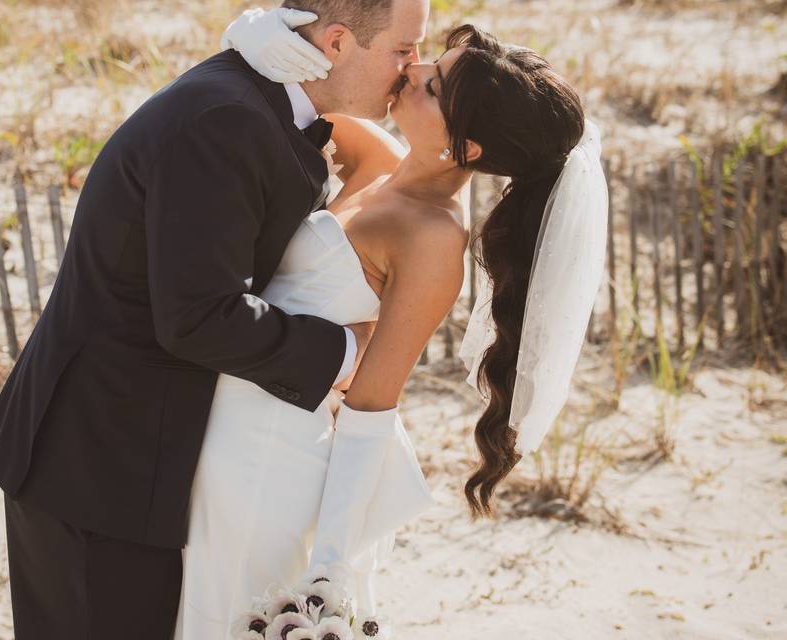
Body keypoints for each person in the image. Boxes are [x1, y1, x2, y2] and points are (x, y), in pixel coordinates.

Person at [0, 1, 429, 638]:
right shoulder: (227, 121)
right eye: (403, 51)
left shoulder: (268, 93)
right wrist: (347, 355)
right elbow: (198, 318)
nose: (413, 70)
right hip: (97, 461)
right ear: (335, 43)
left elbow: (373, 156)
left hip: (144, 457)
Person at [178, 9, 605, 638]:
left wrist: (331, 567)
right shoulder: (379, 158)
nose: (415, 68)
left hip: (271, 456)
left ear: (467, 148)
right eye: (432, 59)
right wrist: (259, 36)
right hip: (214, 418)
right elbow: (288, 94)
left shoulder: (433, 238)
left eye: (435, 86)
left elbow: (373, 407)